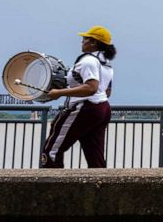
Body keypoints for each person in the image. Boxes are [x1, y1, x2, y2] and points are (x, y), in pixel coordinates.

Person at [39, 26, 116, 169]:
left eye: (85, 39)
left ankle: (52, 188)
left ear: (93, 43)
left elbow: (91, 88)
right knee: (95, 156)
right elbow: (107, 91)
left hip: (84, 107)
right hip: (102, 108)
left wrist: (59, 92)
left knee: (52, 151)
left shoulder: (88, 61)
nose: (82, 42)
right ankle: (101, 188)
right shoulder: (106, 63)